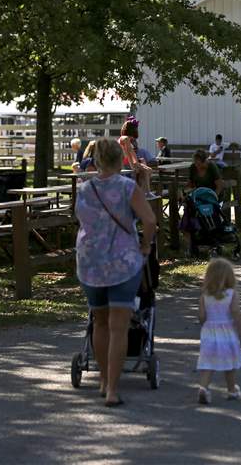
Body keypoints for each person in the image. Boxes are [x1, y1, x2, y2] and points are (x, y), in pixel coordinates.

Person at [74, 137, 156, 407]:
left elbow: (82, 220)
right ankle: (111, 389)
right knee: (118, 327)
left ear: (96, 161)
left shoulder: (84, 189)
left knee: (99, 322)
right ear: (120, 159)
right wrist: (145, 245)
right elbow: (150, 219)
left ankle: (101, 381)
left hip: (91, 263)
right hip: (123, 262)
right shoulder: (127, 187)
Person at [197, 258, 241, 404]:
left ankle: (203, 388)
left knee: (208, 363)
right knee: (229, 363)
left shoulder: (205, 296)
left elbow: (202, 316)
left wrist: (206, 322)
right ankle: (231, 390)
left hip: (209, 332)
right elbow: (235, 311)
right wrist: (240, 327)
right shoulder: (231, 294)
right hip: (227, 332)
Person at [181, 149, 225, 250]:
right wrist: (184, 192)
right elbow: (190, 184)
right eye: (195, 163)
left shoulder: (212, 167)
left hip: (212, 195)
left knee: (211, 213)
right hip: (199, 196)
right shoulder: (193, 168)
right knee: (190, 211)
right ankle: (194, 241)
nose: (197, 166)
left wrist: (214, 199)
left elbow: (219, 185)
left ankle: (212, 237)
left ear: (205, 161)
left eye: (199, 163)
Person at [118, 116, 153, 196]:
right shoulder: (125, 138)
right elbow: (128, 153)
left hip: (128, 163)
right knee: (145, 171)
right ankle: (146, 192)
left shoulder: (129, 139)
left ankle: (144, 192)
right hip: (123, 164)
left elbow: (132, 153)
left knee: (149, 170)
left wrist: (137, 163)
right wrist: (134, 166)